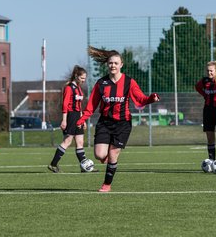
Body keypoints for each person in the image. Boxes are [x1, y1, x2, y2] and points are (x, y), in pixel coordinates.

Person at [76, 46, 160, 192]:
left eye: (116, 63)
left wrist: (150, 99)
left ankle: (106, 184)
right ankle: (107, 159)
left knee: (113, 153)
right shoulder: (101, 83)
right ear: (107, 65)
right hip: (105, 122)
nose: (113, 65)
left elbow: (140, 98)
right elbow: (91, 105)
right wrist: (82, 119)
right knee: (99, 154)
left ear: (121, 64)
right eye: (110, 63)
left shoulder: (129, 82)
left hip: (123, 124)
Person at [48, 65, 96, 173]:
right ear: (76, 76)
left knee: (80, 141)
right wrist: (64, 120)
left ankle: (84, 166)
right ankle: (53, 164)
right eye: (82, 78)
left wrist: (82, 119)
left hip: (78, 117)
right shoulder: (69, 88)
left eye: (85, 78)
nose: (84, 80)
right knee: (67, 141)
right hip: (70, 116)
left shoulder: (79, 89)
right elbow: (65, 104)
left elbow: (79, 106)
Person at [195, 61, 216, 160]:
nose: (209, 73)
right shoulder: (205, 80)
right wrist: (205, 95)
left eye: (211, 71)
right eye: (207, 71)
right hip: (208, 110)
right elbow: (197, 87)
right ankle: (212, 161)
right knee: (210, 138)